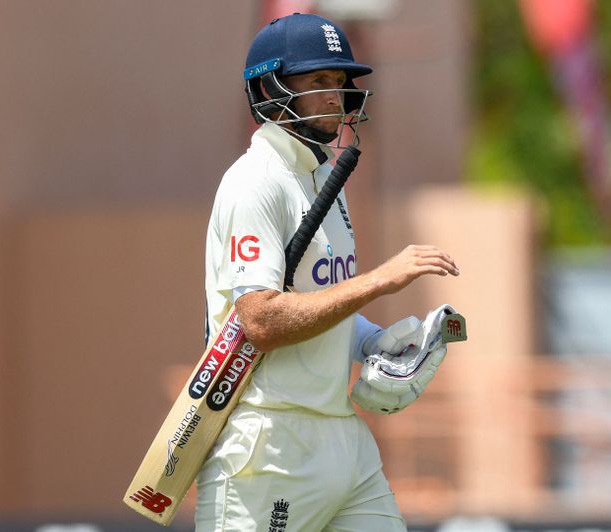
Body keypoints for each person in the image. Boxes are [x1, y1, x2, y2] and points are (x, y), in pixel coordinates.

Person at [195, 13, 460, 531]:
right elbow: (262, 321)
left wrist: (375, 343)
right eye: (318, 81)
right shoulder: (253, 183)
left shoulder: (321, 182)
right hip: (267, 451)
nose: (335, 95)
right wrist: (382, 279)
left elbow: (318, 303)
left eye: (339, 83)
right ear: (270, 88)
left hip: (342, 439)